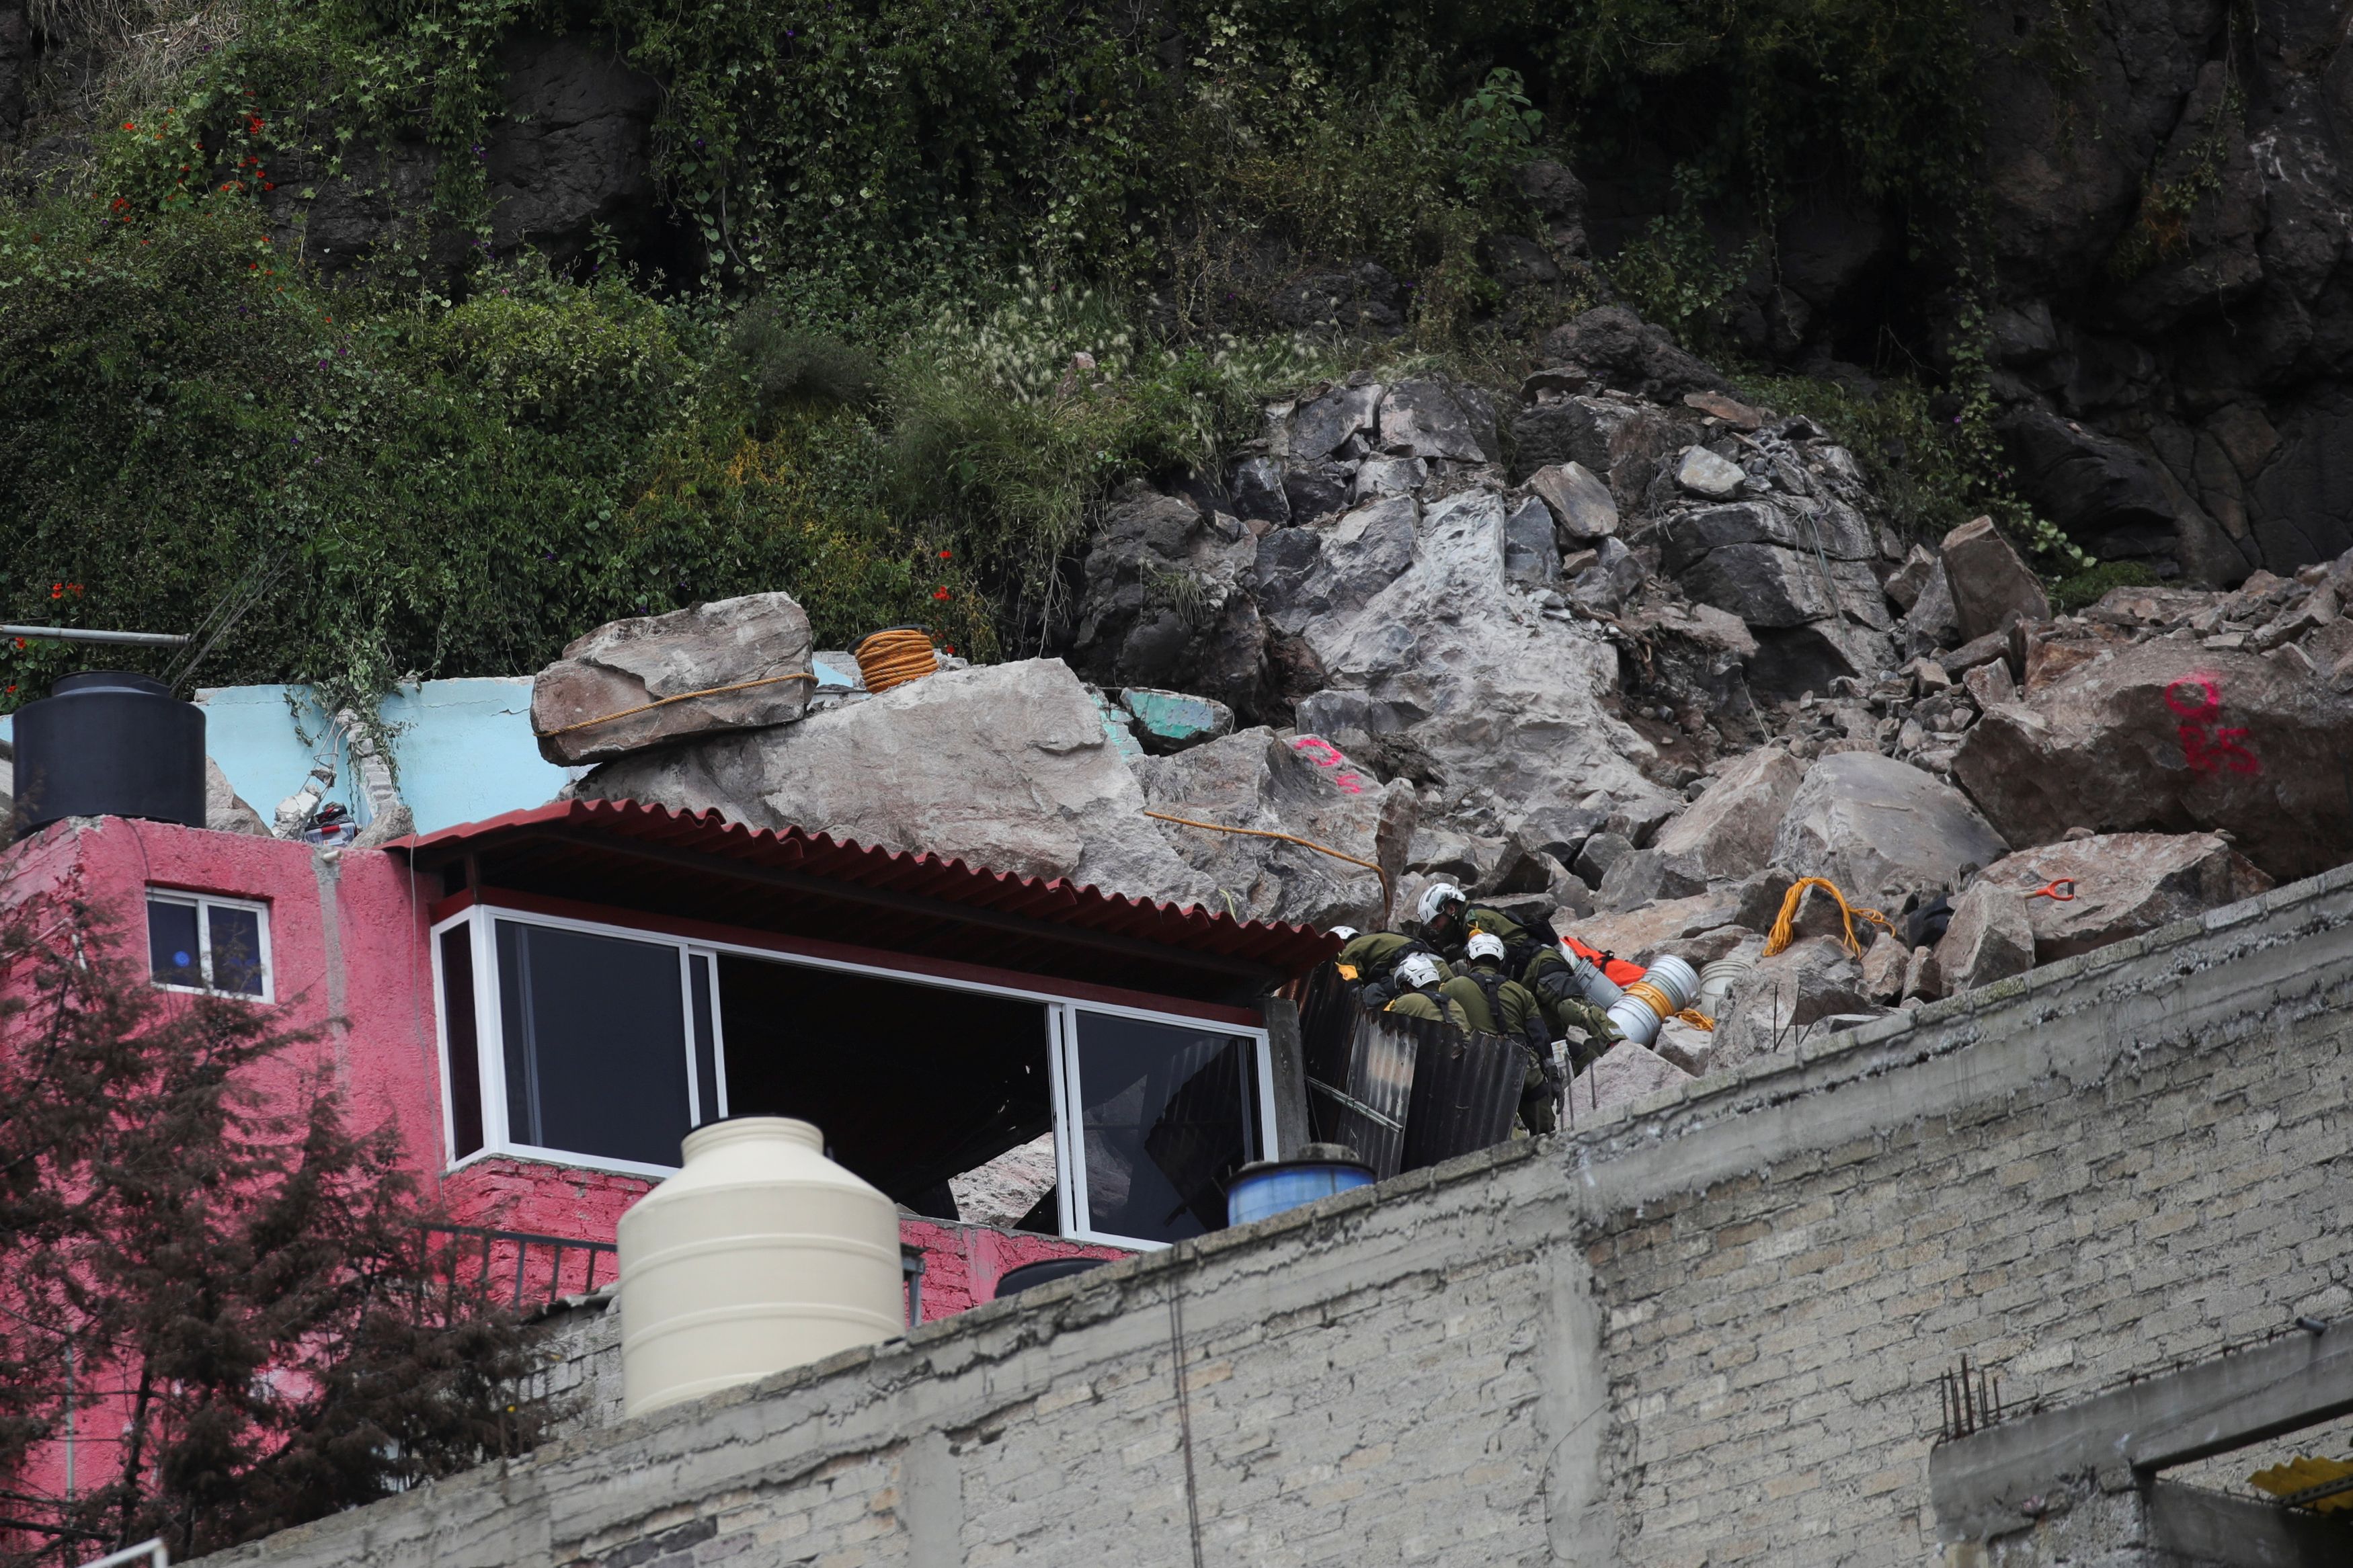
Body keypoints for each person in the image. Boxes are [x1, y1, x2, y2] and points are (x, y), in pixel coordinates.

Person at [1417, 883, 1618, 1058]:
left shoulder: (1475, 922)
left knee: (1571, 1007)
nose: (1436, 928)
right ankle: (1589, 1061)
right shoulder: (1467, 926)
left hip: (1539, 964)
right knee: (1550, 1042)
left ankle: (1617, 1041)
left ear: (1451, 909)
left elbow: (1484, 971)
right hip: (1525, 982)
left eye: (1436, 921)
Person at [1441, 932, 1562, 1132]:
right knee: (1546, 1132)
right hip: (1523, 1071)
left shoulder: (1452, 988)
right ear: (1501, 961)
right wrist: (1553, 1076)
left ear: (1469, 961)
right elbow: (1540, 1037)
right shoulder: (1522, 992)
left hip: (1480, 1074)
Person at [1336, 928, 1450, 1008]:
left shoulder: (1348, 951)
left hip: (1410, 964)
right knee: (1449, 998)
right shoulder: (1378, 940)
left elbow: (1351, 987)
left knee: (1372, 995)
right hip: (1434, 961)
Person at [1382, 952, 1470, 1029]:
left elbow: (1382, 1025)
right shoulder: (1455, 1005)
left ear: (1407, 986)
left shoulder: (1403, 1002)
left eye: (1403, 988)